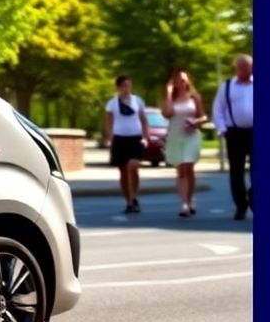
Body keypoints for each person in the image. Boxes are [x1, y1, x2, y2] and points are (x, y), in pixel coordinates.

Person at [212, 55, 254, 220]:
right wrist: (222, 129)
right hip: (235, 132)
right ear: (236, 68)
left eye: (248, 67)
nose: (245, 70)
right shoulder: (227, 86)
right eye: (241, 67)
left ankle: (254, 198)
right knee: (236, 172)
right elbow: (218, 110)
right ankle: (241, 206)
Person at [162, 69, 208, 217]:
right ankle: (184, 203)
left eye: (184, 80)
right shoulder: (171, 98)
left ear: (187, 81)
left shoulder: (194, 97)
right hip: (175, 136)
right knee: (181, 169)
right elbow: (167, 113)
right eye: (178, 80)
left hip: (191, 136)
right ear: (174, 83)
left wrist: (196, 121)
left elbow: (203, 116)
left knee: (189, 167)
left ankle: (189, 199)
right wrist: (169, 93)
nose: (181, 83)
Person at [104, 75, 151, 214]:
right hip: (119, 139)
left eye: (129, 86)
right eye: (124, 86)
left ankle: (134, 196)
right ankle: (129, 201)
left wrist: (146, 137)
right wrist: (110, 138)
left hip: (135, 139)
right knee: (123, 172)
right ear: (118, 87)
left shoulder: (138, 101)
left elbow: (143, 120)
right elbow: (108, 122)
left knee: (133, 166)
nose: (127, 89)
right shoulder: (112, 104)